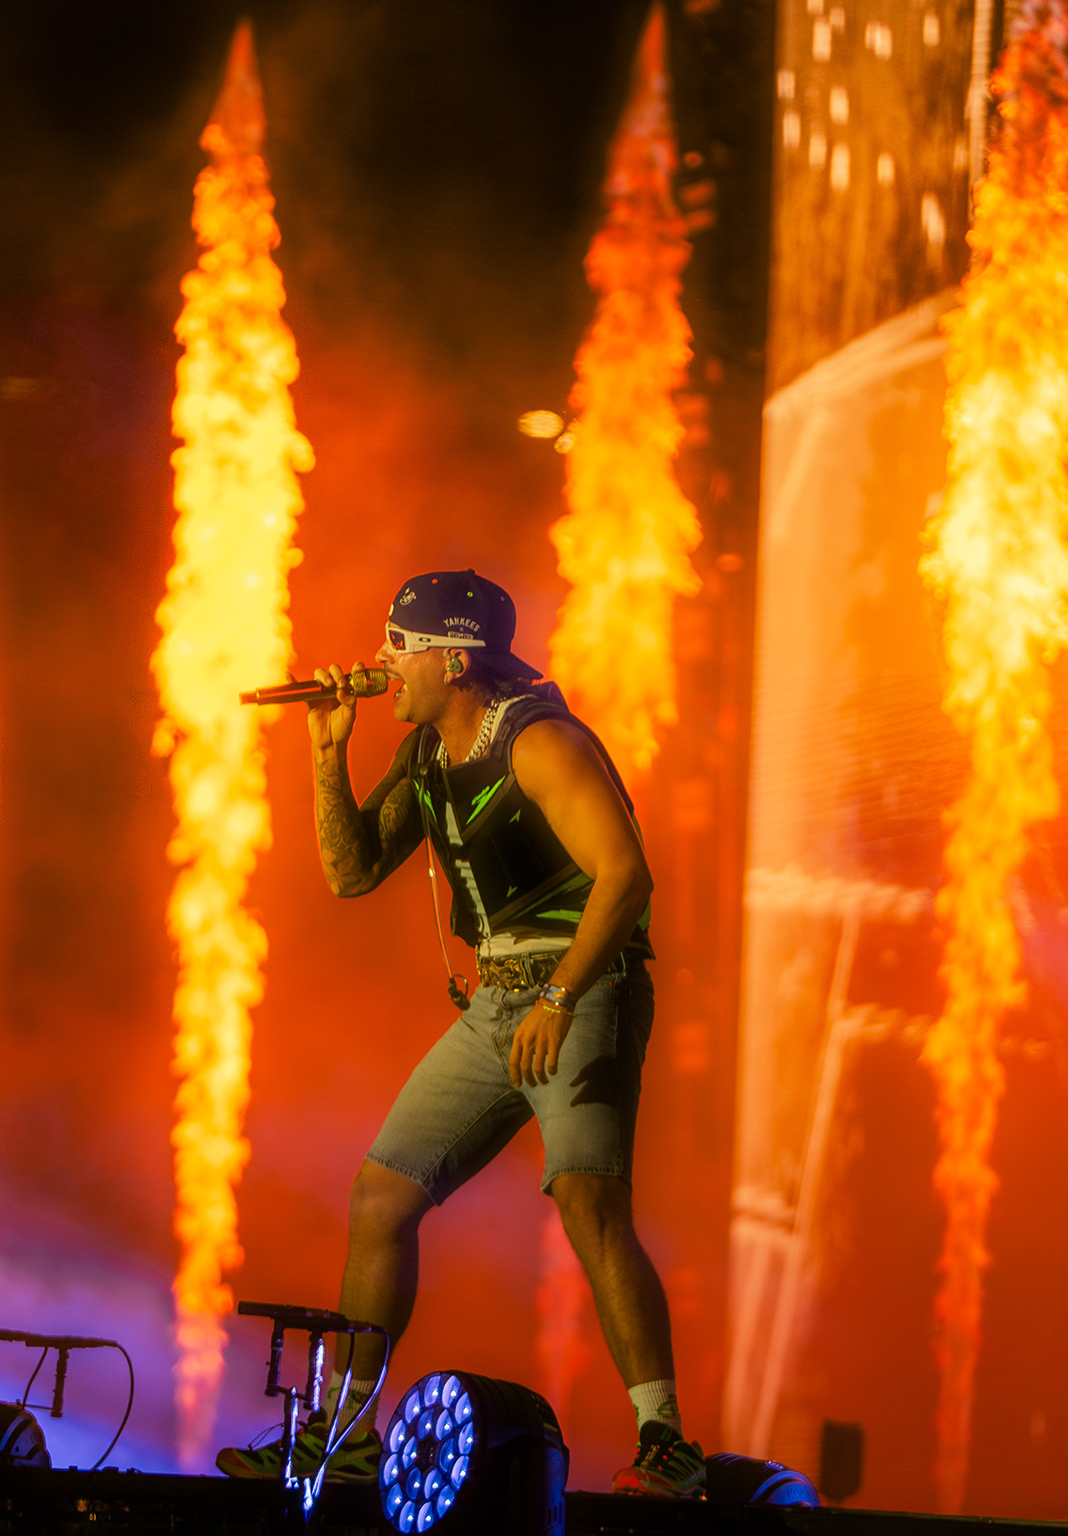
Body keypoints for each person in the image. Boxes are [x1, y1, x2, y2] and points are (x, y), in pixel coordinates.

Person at [215, 569, 704, 1499]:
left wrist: (560, 997)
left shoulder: (540, 740)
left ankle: (668, 1444)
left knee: (589, 1202)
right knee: (380, 1198)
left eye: (399, 645)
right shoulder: (427, 753)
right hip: (495, 1004)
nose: (381, 660)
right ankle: (347, 1437)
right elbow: (353, 873)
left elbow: (626, 876)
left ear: (454, 659)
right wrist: (328, 754)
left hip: (581, 987)